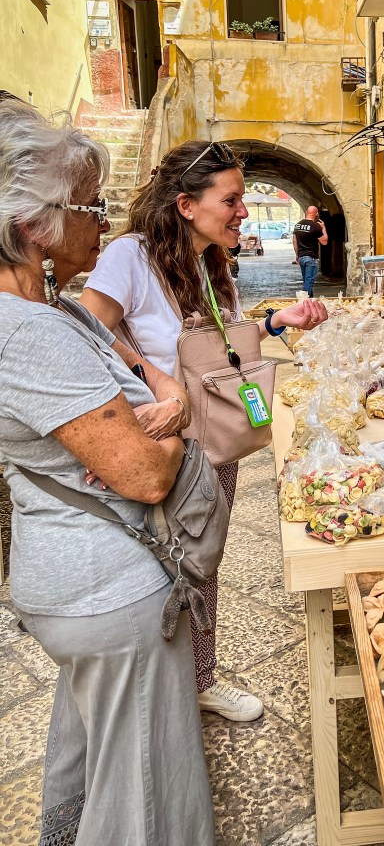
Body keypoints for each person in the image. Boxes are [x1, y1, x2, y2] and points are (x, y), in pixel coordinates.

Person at [0, 100, 214, 845]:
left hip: (95, 581)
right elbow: (147, 474)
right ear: (34, 225)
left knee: (100, 751)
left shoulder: (59, 309)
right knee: (146, 793)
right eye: (90, 207)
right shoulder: (25, 332)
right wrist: (171, 429)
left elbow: (150, 375)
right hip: (107, 589)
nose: (103, 222)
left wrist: (167, 403)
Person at [81, 140, 327, 721]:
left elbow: (220, 348)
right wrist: (153, 378)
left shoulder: (213, 263)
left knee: (203, 562)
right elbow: (88, 328)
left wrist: (275, 321)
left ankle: (198, 680)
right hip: (161, 443)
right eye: (232, 199)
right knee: (155, 567)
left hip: (216, 440)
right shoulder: (131, 256)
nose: (243, 210)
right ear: (187, 204)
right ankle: (155, 693)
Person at [292, 204, 328, 296]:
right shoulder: (316, 226)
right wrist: (323, 228)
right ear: (316, 214)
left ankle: (310, 300)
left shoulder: (298, 225)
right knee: (309, 281)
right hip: (311, 258)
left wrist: (297, 254)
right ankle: (304, 300)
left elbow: (294, 241)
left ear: (306, 212)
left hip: (301, 257)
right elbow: (324, 241)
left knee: (306, 281)